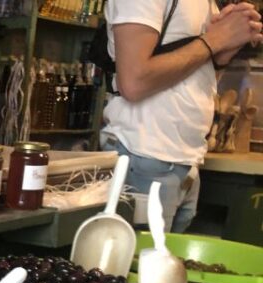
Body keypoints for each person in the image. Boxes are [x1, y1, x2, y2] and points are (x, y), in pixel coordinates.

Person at [100, 1, 263, 232]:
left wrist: (224, 52)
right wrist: (214, 40)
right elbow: (134, 82)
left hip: (186, 163)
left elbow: (195, 81)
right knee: (138, 265)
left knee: (165, 265)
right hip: (144, 155)